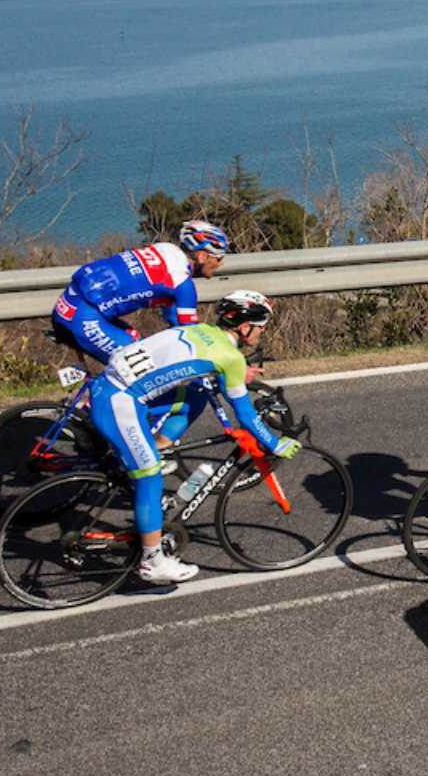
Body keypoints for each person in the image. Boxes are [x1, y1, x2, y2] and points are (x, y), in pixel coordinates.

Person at [88, 290, 294, 585]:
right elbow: (246, 416)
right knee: (150, 477)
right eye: (261, 326)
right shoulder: (231, 358)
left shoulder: (201, 331)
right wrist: (275, 443)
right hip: (119, 404)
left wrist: (236, 373)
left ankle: (158, 448)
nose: (262, 332)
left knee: (193, 396)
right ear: (244, 326)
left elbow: (197, 365)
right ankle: (152, 561)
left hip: (110, 386)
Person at [52, 220, 231, 365]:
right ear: (202, 256)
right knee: (143, 368)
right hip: (85, 316)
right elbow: (192, 335)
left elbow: (172, 315)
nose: (220, 264)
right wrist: (222, 354)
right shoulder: (183, 283)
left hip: (74, 303)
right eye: (219, 258)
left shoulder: (165, 249)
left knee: (141, 350)